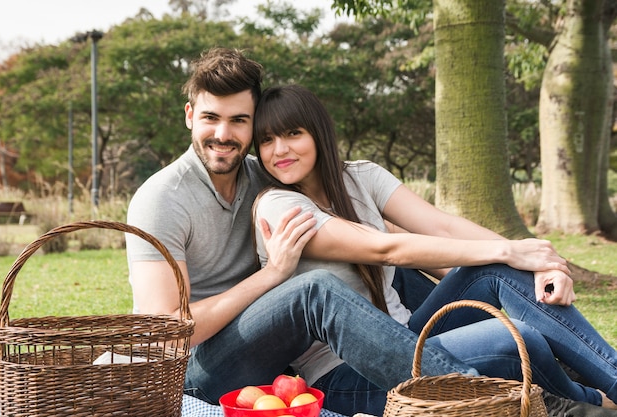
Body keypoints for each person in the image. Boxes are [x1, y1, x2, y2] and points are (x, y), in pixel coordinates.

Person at [125, 47, 480, 407]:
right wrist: (272, 274)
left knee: (389, 271)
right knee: (314, 289)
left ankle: (473, 343)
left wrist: (486, 259)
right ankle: (465, 394)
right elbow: (166, 335)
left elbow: (377, 231)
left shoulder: (264, 174)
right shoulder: (160, 199)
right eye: (210, 118)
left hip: (268, 347)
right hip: (190, 373)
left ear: (254, 123)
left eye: (238, 120)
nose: (222, 133)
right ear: (189, 116)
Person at [251, 84, 617, 416]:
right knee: (515, 337)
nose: (279, 150)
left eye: (293, 134)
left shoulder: (360, 177)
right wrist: (510, 251)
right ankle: (589, 400)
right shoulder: (277, 205)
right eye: (267, 141)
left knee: (493, 268)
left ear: (318, 133)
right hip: (346, 375)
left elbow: (441, 225)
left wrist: (538, 260)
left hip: (408, 335)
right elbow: (385, 249)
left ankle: (609, 382)